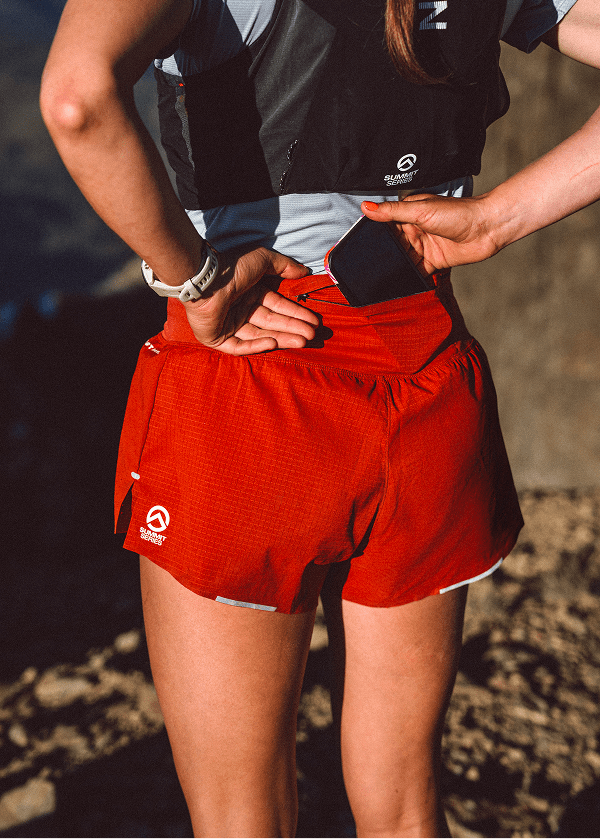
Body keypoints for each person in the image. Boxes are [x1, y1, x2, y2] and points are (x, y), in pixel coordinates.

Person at [40, 0, 600, 835]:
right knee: (408, 810)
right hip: (422, 375)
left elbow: (77, 100)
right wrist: (495, 217)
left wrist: (192, 279)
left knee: (241, 816)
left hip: (251, 380)